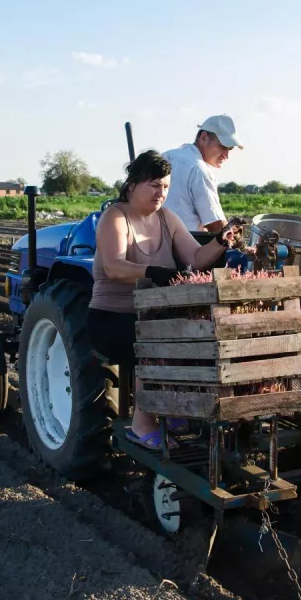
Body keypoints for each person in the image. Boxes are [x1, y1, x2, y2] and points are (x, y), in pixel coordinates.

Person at [89, 150, 241, 449]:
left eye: (167, 187)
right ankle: (142, 424)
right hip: (112, 317)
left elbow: (195, 259)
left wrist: (221, 240)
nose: (162, 193)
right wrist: (152, 271)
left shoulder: (166, 218)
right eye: (155, 185)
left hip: (155, 316)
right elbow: (114, 267)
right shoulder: (115, 217)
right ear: (133, 184)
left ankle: (172, 410)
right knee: (159, 340)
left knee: (196, 335)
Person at [161, 114, 242, 233]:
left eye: (229, 149)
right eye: (223, 147)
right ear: (203, 138)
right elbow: (216, 226)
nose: (226, 155)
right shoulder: (199, 169)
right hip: (186, 245)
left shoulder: (165, 156)